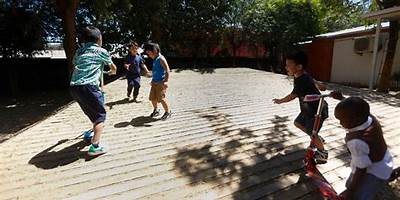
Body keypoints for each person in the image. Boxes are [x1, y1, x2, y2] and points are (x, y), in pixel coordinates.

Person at [272, 51, 329, 164]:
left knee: (312, 132)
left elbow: (292, 96)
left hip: (316, 110)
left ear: (299, 67)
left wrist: (280, 101)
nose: (286, 67)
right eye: (286, 64)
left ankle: (322, 152)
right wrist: (318, 84)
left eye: (289, 65)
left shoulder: (302, 80)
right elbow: (311, 78)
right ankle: (318, 139)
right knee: (298, 123)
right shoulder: (301, 75)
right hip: (307, 109)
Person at [69, 26, 117, 156]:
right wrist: (112, 72)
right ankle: (95, 146)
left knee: (91, 110)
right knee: (100, 116)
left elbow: (76, 65)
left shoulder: (79, 52)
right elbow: (113, 67)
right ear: (99, 39)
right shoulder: (101, 51)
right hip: (89, 87)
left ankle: (91, 132)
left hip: (74, 87)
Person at [335, 97, 393, 200]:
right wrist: (341, 98)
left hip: (375, 172)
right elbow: (359, 108)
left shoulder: (357, 142)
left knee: (361, 195)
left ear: (355, 119)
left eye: (342, 120)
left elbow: (361, 168)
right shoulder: (370, 119)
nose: (340, 123)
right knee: (352, 183)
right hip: (384, 159)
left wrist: (351, 190)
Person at [144, 42, 172, 120]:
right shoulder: (155, 59)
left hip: (161, 83)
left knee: (161, 99)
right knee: (152, 98)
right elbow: (156, 71)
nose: (148, 53)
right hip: (154, 82)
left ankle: (168, 112)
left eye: (149, 52)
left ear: (155, 50)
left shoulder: (161, 59)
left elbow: (167, 70)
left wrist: (165, 81)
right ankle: (156, 110)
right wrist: (151, 78)